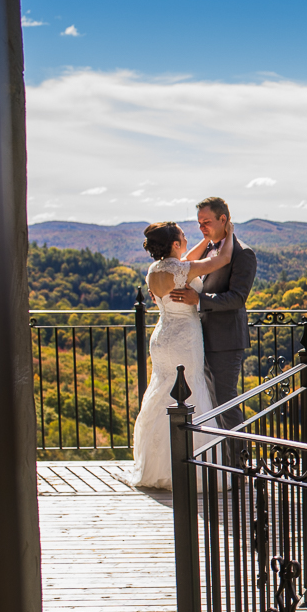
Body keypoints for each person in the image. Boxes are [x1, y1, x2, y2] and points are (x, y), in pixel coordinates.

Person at [124, 221, 234, 489]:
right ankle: (194, 466)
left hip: (162, 337)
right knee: (191, 391)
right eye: (183, 236)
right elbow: (223, 258)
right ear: (175, 243)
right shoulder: (183, 269)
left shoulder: (155, 270)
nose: (186, 238)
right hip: (185, 338)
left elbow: (185, 259)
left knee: (163, 392)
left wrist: (207, 241)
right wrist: (228, 234)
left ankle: (158, 466)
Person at [167, 196, 257, 432]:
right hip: (200, 338)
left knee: (226, 405)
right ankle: (223, 465)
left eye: (206, 222)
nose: (201, 227)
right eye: (199, 222)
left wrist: (199, 300)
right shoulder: (207, 248)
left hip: (225, 341)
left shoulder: (243, 253)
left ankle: (238, 465)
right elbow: (181, 268)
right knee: (212, 405)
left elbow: (237, 298)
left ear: (223, 219)